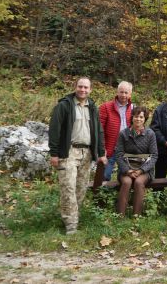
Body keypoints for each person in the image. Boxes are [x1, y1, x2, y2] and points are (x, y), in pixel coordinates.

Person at [48, 77, 107, 234]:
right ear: (75, 87)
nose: (83, 90)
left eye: (86, 87)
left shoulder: (93, 107)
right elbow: (54, 129)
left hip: (86, 153)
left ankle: (72, 217)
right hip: (68, 152)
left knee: (80, 189)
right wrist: (54, 153)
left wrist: (101, 153)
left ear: (90, 90)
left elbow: (99, 131)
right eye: (80, 87)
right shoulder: (64, 106)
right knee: (68, 187)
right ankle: (71, 226)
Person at [115, 106, 158, 216]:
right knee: (126, 182)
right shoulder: (123, 133)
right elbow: (118, 155)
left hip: (145, 171)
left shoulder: (150, 134)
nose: (138, 119)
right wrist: (127, 170)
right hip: (126, 169)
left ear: (145, 119)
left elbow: (154, 156)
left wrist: (141, 170)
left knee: (139, 182)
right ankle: (120, 215)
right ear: (132, 117)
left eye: (141, 117)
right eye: (136, 116)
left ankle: (136, 216)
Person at [98, 81, 133, 181]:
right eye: (121, 92)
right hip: (110, 148)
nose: (123, 95)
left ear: (130, 94)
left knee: (124, 177)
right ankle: (101, 196)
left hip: (126, 148)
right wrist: (101, 148)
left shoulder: (133, 108)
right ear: (117, 92)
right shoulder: (106, 107)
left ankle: (118, 196)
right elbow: (100, 130)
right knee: (104, 176)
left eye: (126, 93)